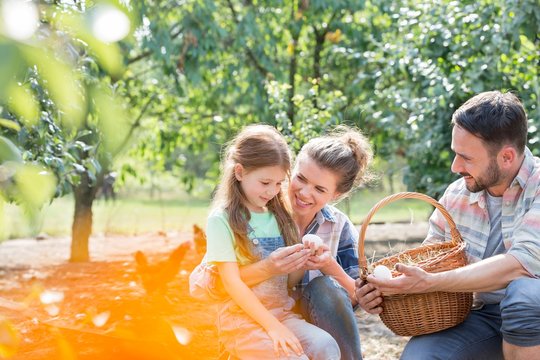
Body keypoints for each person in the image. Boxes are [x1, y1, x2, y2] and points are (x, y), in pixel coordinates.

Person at [355, 91, 540, 360]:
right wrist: (386, 290)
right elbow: (430, 263)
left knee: (523, 296)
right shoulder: (457, 195)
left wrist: (431, 282)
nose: (455, 166)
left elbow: (521, 265)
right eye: (455, 154)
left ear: (507, 157)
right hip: (483, 316)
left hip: (534, 314)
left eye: (466, 158)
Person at [190, 125, 373, 360]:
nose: (305, 193)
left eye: (319, 188)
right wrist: (269, 268)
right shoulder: (256, 211)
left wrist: (322, 264)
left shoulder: (337, 226)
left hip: (293, 316)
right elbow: (211, 284)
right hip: (250, 316)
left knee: (325, 291)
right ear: (292, 170)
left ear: (335, 195)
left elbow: (360, 298)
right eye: (300, 178)